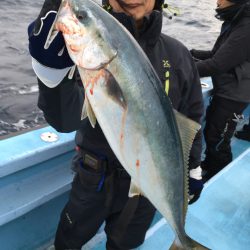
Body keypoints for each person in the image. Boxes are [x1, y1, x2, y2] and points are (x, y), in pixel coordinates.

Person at [28, 0, 204, 249]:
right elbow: (65, 120)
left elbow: (192, 113)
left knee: (124, 245)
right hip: (92, 179)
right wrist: (50, 77)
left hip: (147, 188)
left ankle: (181, 238)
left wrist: (194, 167)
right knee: (68, 240)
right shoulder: (73, 57)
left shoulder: (178, 54)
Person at [191, 0, 250, 181]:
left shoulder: (246, 27)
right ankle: (210, 164)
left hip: (234, 94)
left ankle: (218, 171)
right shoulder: (236, 20)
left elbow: (218, 64)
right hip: (227, 88)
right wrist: (187, 53)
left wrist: (185, 67)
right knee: (212, 131)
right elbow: (218, 54)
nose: (217, 1)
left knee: (217, 139)